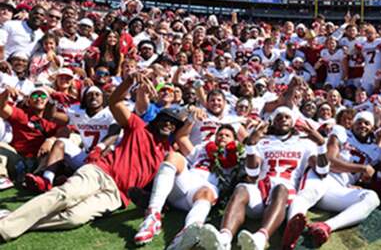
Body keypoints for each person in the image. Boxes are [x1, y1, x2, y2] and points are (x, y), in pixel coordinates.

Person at [0, 73, 188, 242]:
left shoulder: (168, 154)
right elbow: (114, 102)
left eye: (174, 124)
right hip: (99, 172)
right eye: (166, 119)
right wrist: (129, 81)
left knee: (74, 218)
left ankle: (13, 218)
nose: (169, 125)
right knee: (64, 195)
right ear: (156, 119)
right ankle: (5, 228)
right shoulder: (139, 127)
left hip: (116, 196)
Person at [199, 107, 329, 250]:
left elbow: (322, 172)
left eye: (287, 117)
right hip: (261, 192)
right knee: (242, 188)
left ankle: (260, 239)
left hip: (284, 197)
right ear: (272, 121)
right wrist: (251, 146)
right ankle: (224, 239)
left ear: (293, 122)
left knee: (281, 188)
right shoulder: (264, 141)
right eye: (279, 117)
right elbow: (253, 174)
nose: (283, 119)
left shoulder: (305, 143)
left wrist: (321, 144)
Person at [282, 112, 381, 249]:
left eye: (366, 123)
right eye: (359, 122)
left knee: (372, 198)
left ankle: (326, 226)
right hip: (323, 175)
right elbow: (330, 161)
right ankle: (291, 227)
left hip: (340, 188)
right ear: (353, 124)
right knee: (309, 193)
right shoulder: (342, 132)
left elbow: (372, 177)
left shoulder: (376, 151)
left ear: (372, 127)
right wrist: (362, 168)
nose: (362, 125)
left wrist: (361, 182)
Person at [134, 124, 243, 249]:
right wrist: (192, 119)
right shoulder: (203, 148)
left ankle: (188, 232)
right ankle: (152, 217)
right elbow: (181, 138)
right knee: (174, 156)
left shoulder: (238, 156)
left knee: (207, 192)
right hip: (187, 181)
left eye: (227, 135)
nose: (222, 137)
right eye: (220, 134)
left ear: (234, 140)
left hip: (204, 191)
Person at [0, 87, 61, 191]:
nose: (38, 98)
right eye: (35, 96)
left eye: (42, 96)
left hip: (39, 160)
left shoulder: (51, 121)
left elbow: (66, 132)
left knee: (57, 146)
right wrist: (6, 93)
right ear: (28, 101)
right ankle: (2, 177)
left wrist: (50, 140)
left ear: (47, 101)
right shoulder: (21, 114)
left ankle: (39, 179)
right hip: (18, 160)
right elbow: (1, 108)